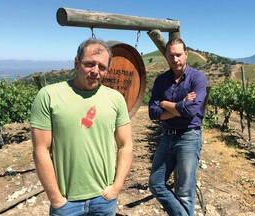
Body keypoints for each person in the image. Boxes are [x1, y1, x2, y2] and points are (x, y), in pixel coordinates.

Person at [30, 38, 133, 216]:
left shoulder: (115, 99)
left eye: (102, 67)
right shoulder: (49, 96)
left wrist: (116, 187)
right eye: (89, 64)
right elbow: (41, 150)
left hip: (104, 198)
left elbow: (126, 145)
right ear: (77, 62)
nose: (95, 71)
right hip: (66, 202)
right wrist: (56, 198)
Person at [148, 38, 207, 216]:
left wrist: (164, 104)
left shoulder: (198, 78)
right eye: (171, 55)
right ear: (166, 56)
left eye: (179, 55)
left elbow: (192, 110)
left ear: (186, 54)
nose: (175, 59)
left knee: (185, 191)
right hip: (167, 136)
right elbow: (152, 112)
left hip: (189, 137)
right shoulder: (160, 80)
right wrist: (181, 104)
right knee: (155, 183)